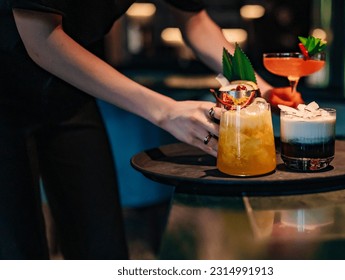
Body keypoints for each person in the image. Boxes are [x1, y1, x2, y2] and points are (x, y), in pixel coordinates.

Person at [0, 0, 303, 259]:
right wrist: (165, 111)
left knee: (102, 247)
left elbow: (194, 22)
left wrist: (260, 89)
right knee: (18, 252)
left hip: (67, 92)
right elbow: (40, 38)